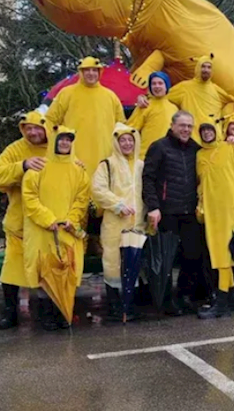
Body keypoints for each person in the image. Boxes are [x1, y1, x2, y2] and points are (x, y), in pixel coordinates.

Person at [22, 126, 91, 330]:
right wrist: (47, 219)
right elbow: (29, 198)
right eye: (61, 139)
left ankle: (64, 313)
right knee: (46, 273)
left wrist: (72, 219)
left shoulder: (79, 171)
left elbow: (82, 199)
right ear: (54, 141)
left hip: (67, 231)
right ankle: (46, 316)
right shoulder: (38, 168)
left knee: (67, 272)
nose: (64, 143)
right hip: (43, 231)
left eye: (69, 140)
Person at [0, 111, 49, 330]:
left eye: (37, 128)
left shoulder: (56, 147)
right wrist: (22, 166)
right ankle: (10, 313)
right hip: (19, 224)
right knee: (12, 269)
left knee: (46, 271)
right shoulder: (15, 149)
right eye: (28, 128)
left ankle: (48, 314)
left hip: (47, 223)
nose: (33, 132)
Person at [141, 111, 207, 313]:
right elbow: (148, 178)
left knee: (192, 255)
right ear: (172, 126)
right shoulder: (159, 147)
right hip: (167, 211)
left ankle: (185, 295)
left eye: (189, 126)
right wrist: (153, 206)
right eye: (182, 125)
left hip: (189, 211)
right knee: (166, 259)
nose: (186, 129)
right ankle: (166, 300)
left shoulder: (196, 149)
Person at [195, 121, 234, 319]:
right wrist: (200, 206)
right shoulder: (199, 155)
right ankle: (232, 299)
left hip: (230, 209)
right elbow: (201, 183)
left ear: (217, 131)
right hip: (211, 211)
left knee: (224, 254)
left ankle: (221, 300)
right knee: (219, 253)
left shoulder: (230, 147)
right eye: (203, 131)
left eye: (210, 129)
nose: (207, 133)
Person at [91, 123, 146, 321]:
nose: (127, 144)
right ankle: (115, 306)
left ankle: (130, 306)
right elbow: (98, 190)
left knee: (134, 263)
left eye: (130, 140)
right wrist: (118, 205)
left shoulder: (141, 165)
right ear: (116, 142)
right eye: (123, 140)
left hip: (137, 224)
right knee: (113, 264)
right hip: (114, 225)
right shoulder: (107, 164)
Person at [45, 57, 126, 177]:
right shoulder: (66, 93)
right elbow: (50, 120)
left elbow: (121, 127)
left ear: (99, 72)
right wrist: (58, 147)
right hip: (73, 157)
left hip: (104, 157)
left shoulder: (111, 96)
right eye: (87, 70)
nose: (91, 73)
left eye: (94, 70)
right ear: (81, 72)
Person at [166, 54, 234, 140]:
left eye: (209, 67)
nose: (206, 70)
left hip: (213, 139)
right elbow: (164, 98)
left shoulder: (216, 90)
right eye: (203, 66)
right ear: (197, 68)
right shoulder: (184, 87)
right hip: (192, 139)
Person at [127, 71, 178, 159]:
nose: (157, 86)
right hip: (146, 156)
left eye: (160, 83)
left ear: (166, 86)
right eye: (153, 83)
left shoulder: (174, 108)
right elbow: (130, 129)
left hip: (168, 157)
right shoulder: (144, 106)